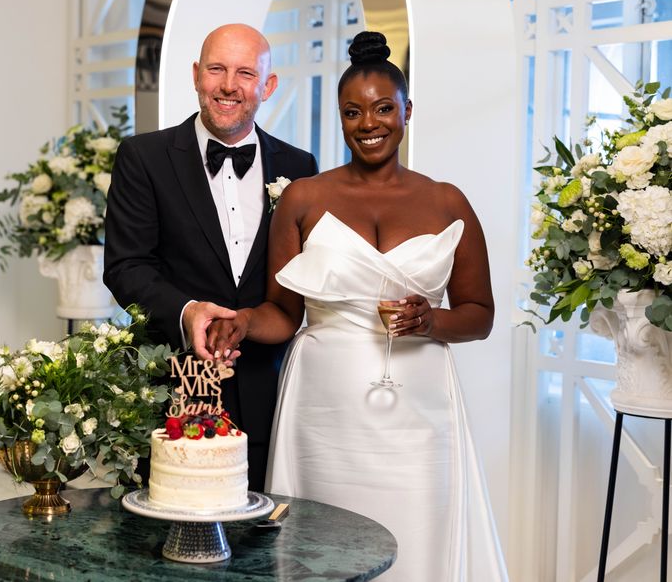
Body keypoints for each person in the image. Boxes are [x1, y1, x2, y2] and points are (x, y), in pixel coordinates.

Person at [207, 31, 508, 580]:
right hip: (323, 410)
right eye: (353, 112)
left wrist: (431, 321)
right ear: (341, 119)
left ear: (407, 111)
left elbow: (480, 314)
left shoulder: (447, 201)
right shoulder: (303, 197)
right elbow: (282, 313)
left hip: (418, 410)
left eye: (383, 108)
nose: (369, 123)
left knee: (419, 537)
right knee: (322, 547)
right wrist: (244, 321)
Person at [103, 23, 318, 491]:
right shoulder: (143, 157)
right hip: (174, 384)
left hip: (270, 387)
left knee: (266, 521)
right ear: (197, 75)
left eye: (245, 73)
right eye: (217, 69)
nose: (228, 85)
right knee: (172, 518)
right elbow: (125, 266)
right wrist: (186, 312)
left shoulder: (300, 168)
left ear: (268, 85)